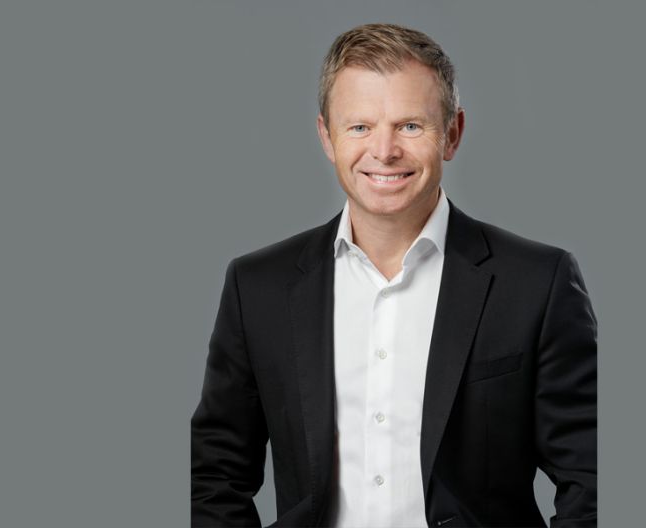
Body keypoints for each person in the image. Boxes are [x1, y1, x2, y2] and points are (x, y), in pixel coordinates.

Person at [191, 23, 597, 528]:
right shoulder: (258, 287)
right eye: (359, 127)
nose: (384, 151)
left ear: (452, 133)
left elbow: (592, 476)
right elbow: (213, 472)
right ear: (327, 136)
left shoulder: (538, 283)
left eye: (409, 125)